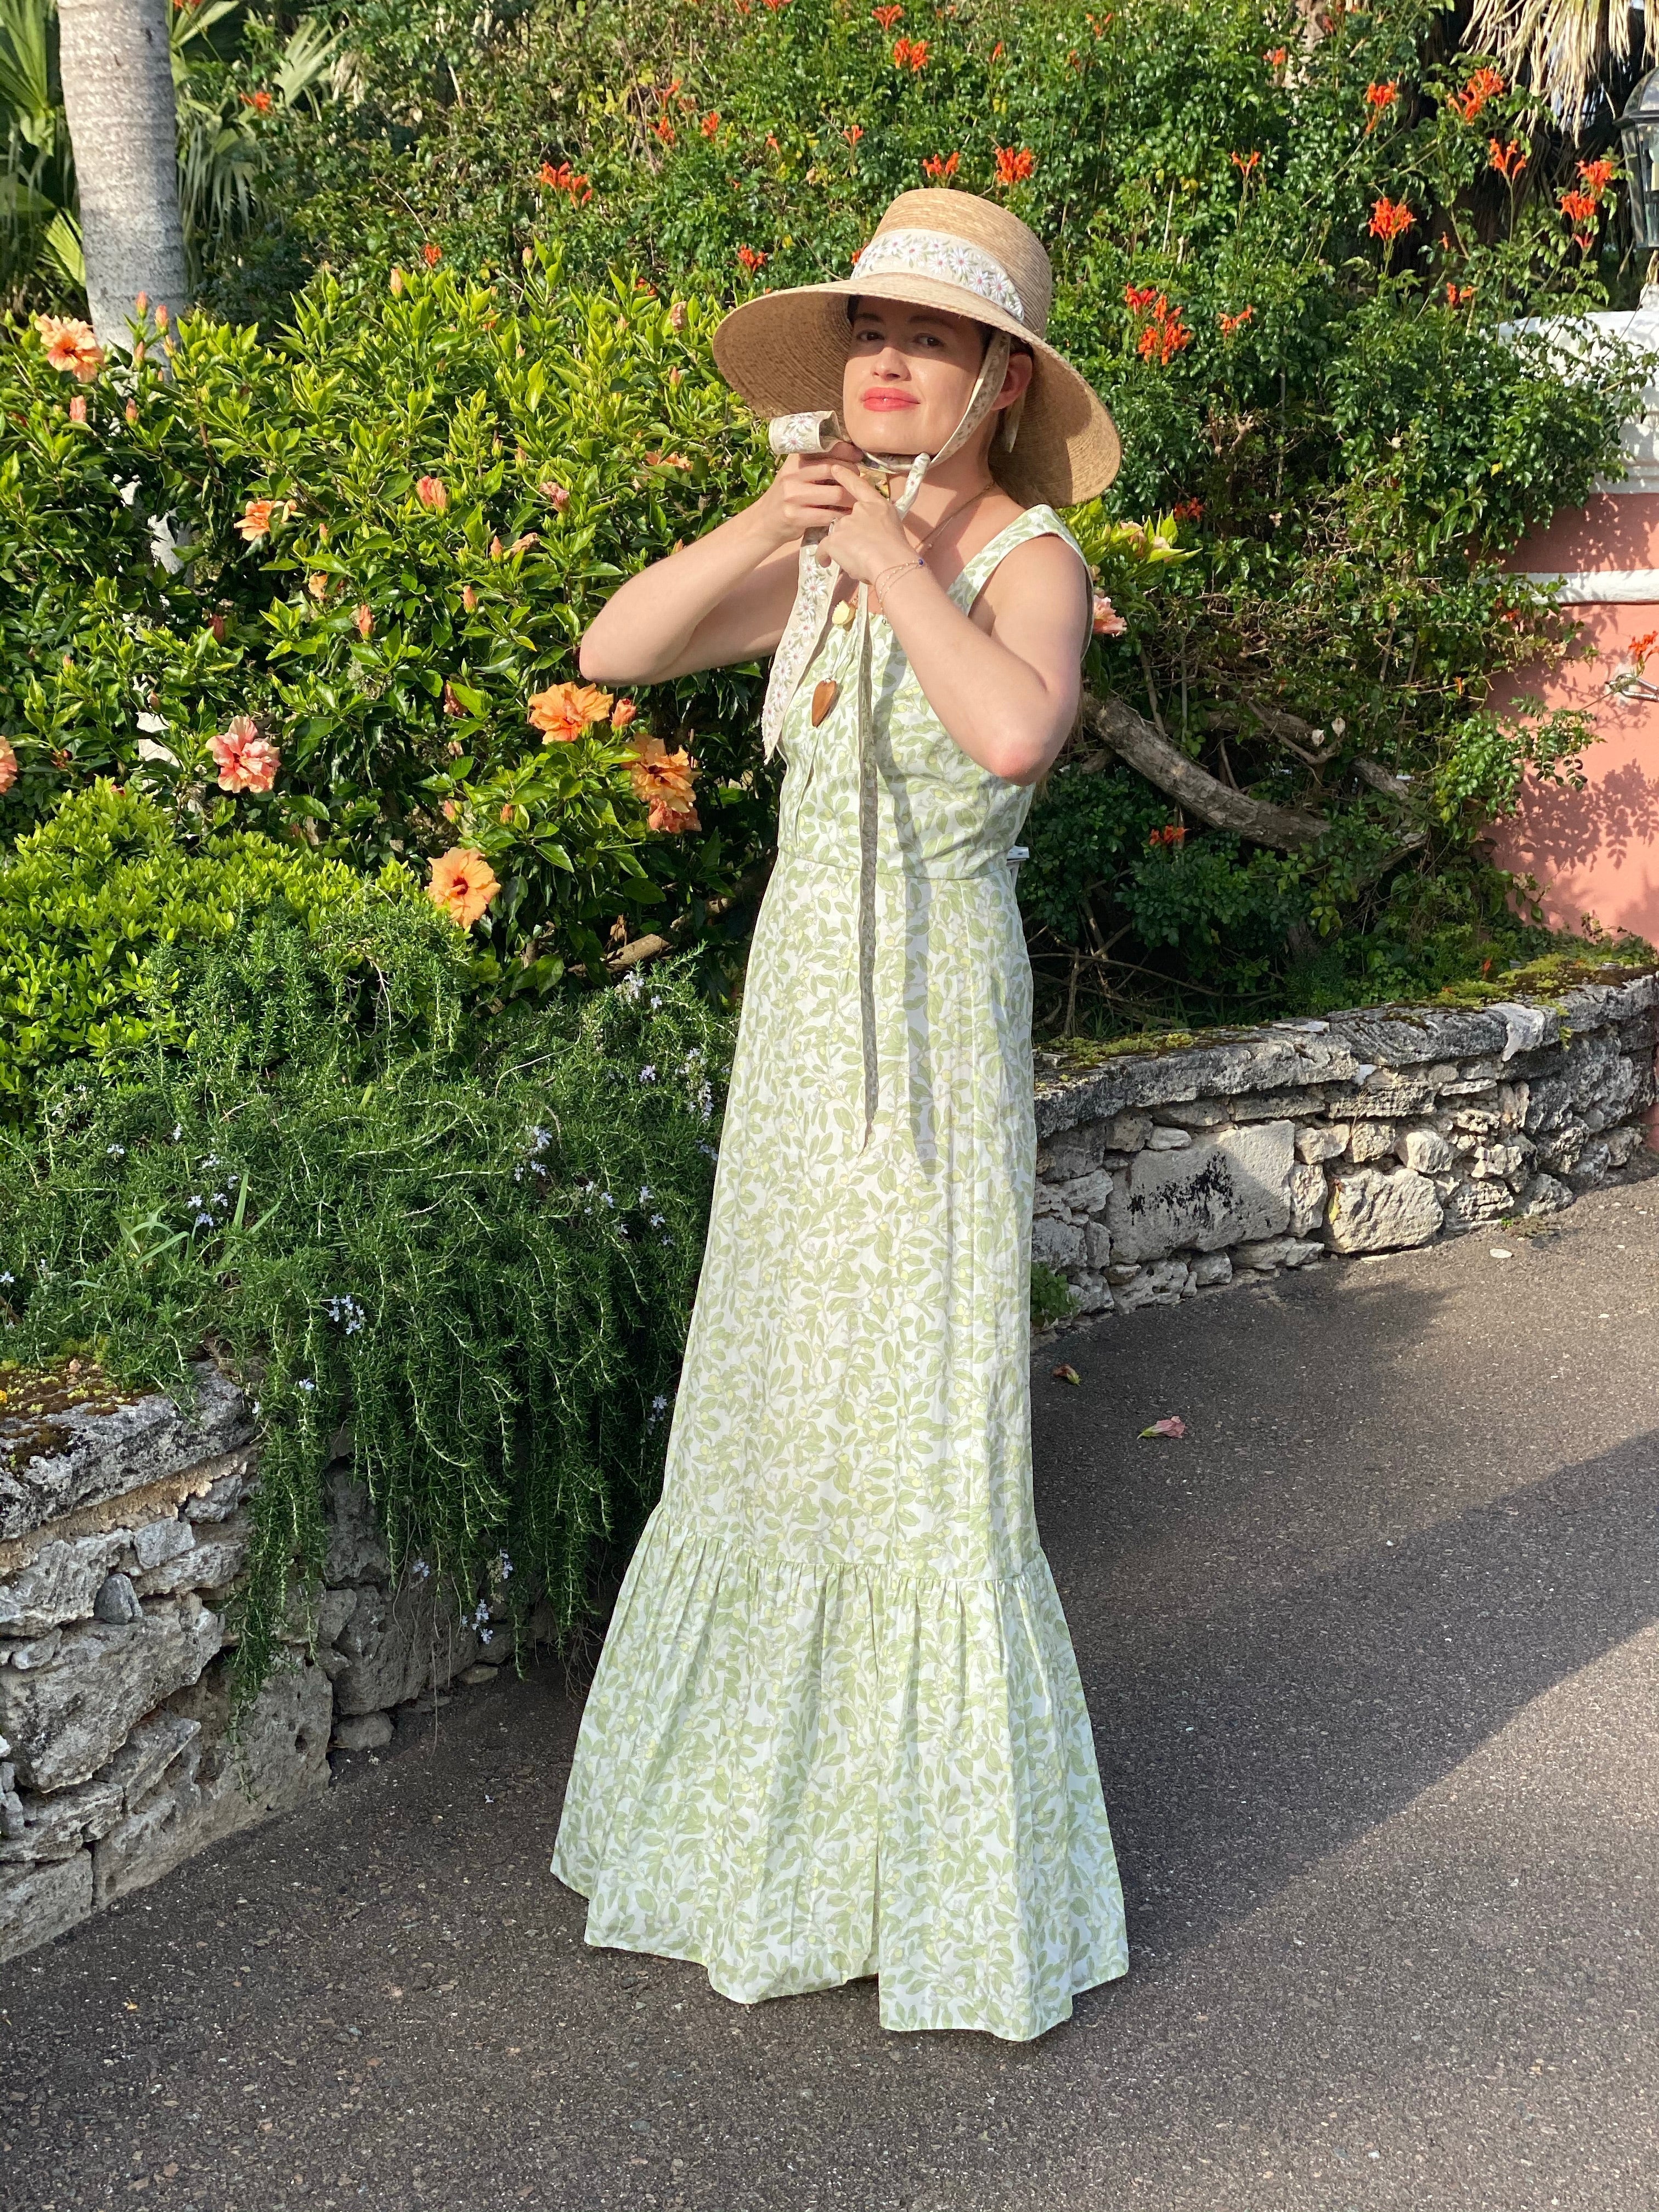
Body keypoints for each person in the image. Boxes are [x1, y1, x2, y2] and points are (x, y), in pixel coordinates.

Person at [551, 188, 1128, 2040]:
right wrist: (777, 522)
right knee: (780, 1411)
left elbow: (1014, 735)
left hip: (935, 1035)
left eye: (929, 336)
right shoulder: (815, 543)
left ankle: (939, 1890)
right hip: (802, 1029)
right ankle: (753, 1846)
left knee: (925, 1436)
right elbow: (616, 649)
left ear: (998, 379)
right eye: (867, 332)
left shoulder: (1026, 553)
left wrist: (891, 562)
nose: (883, 360)